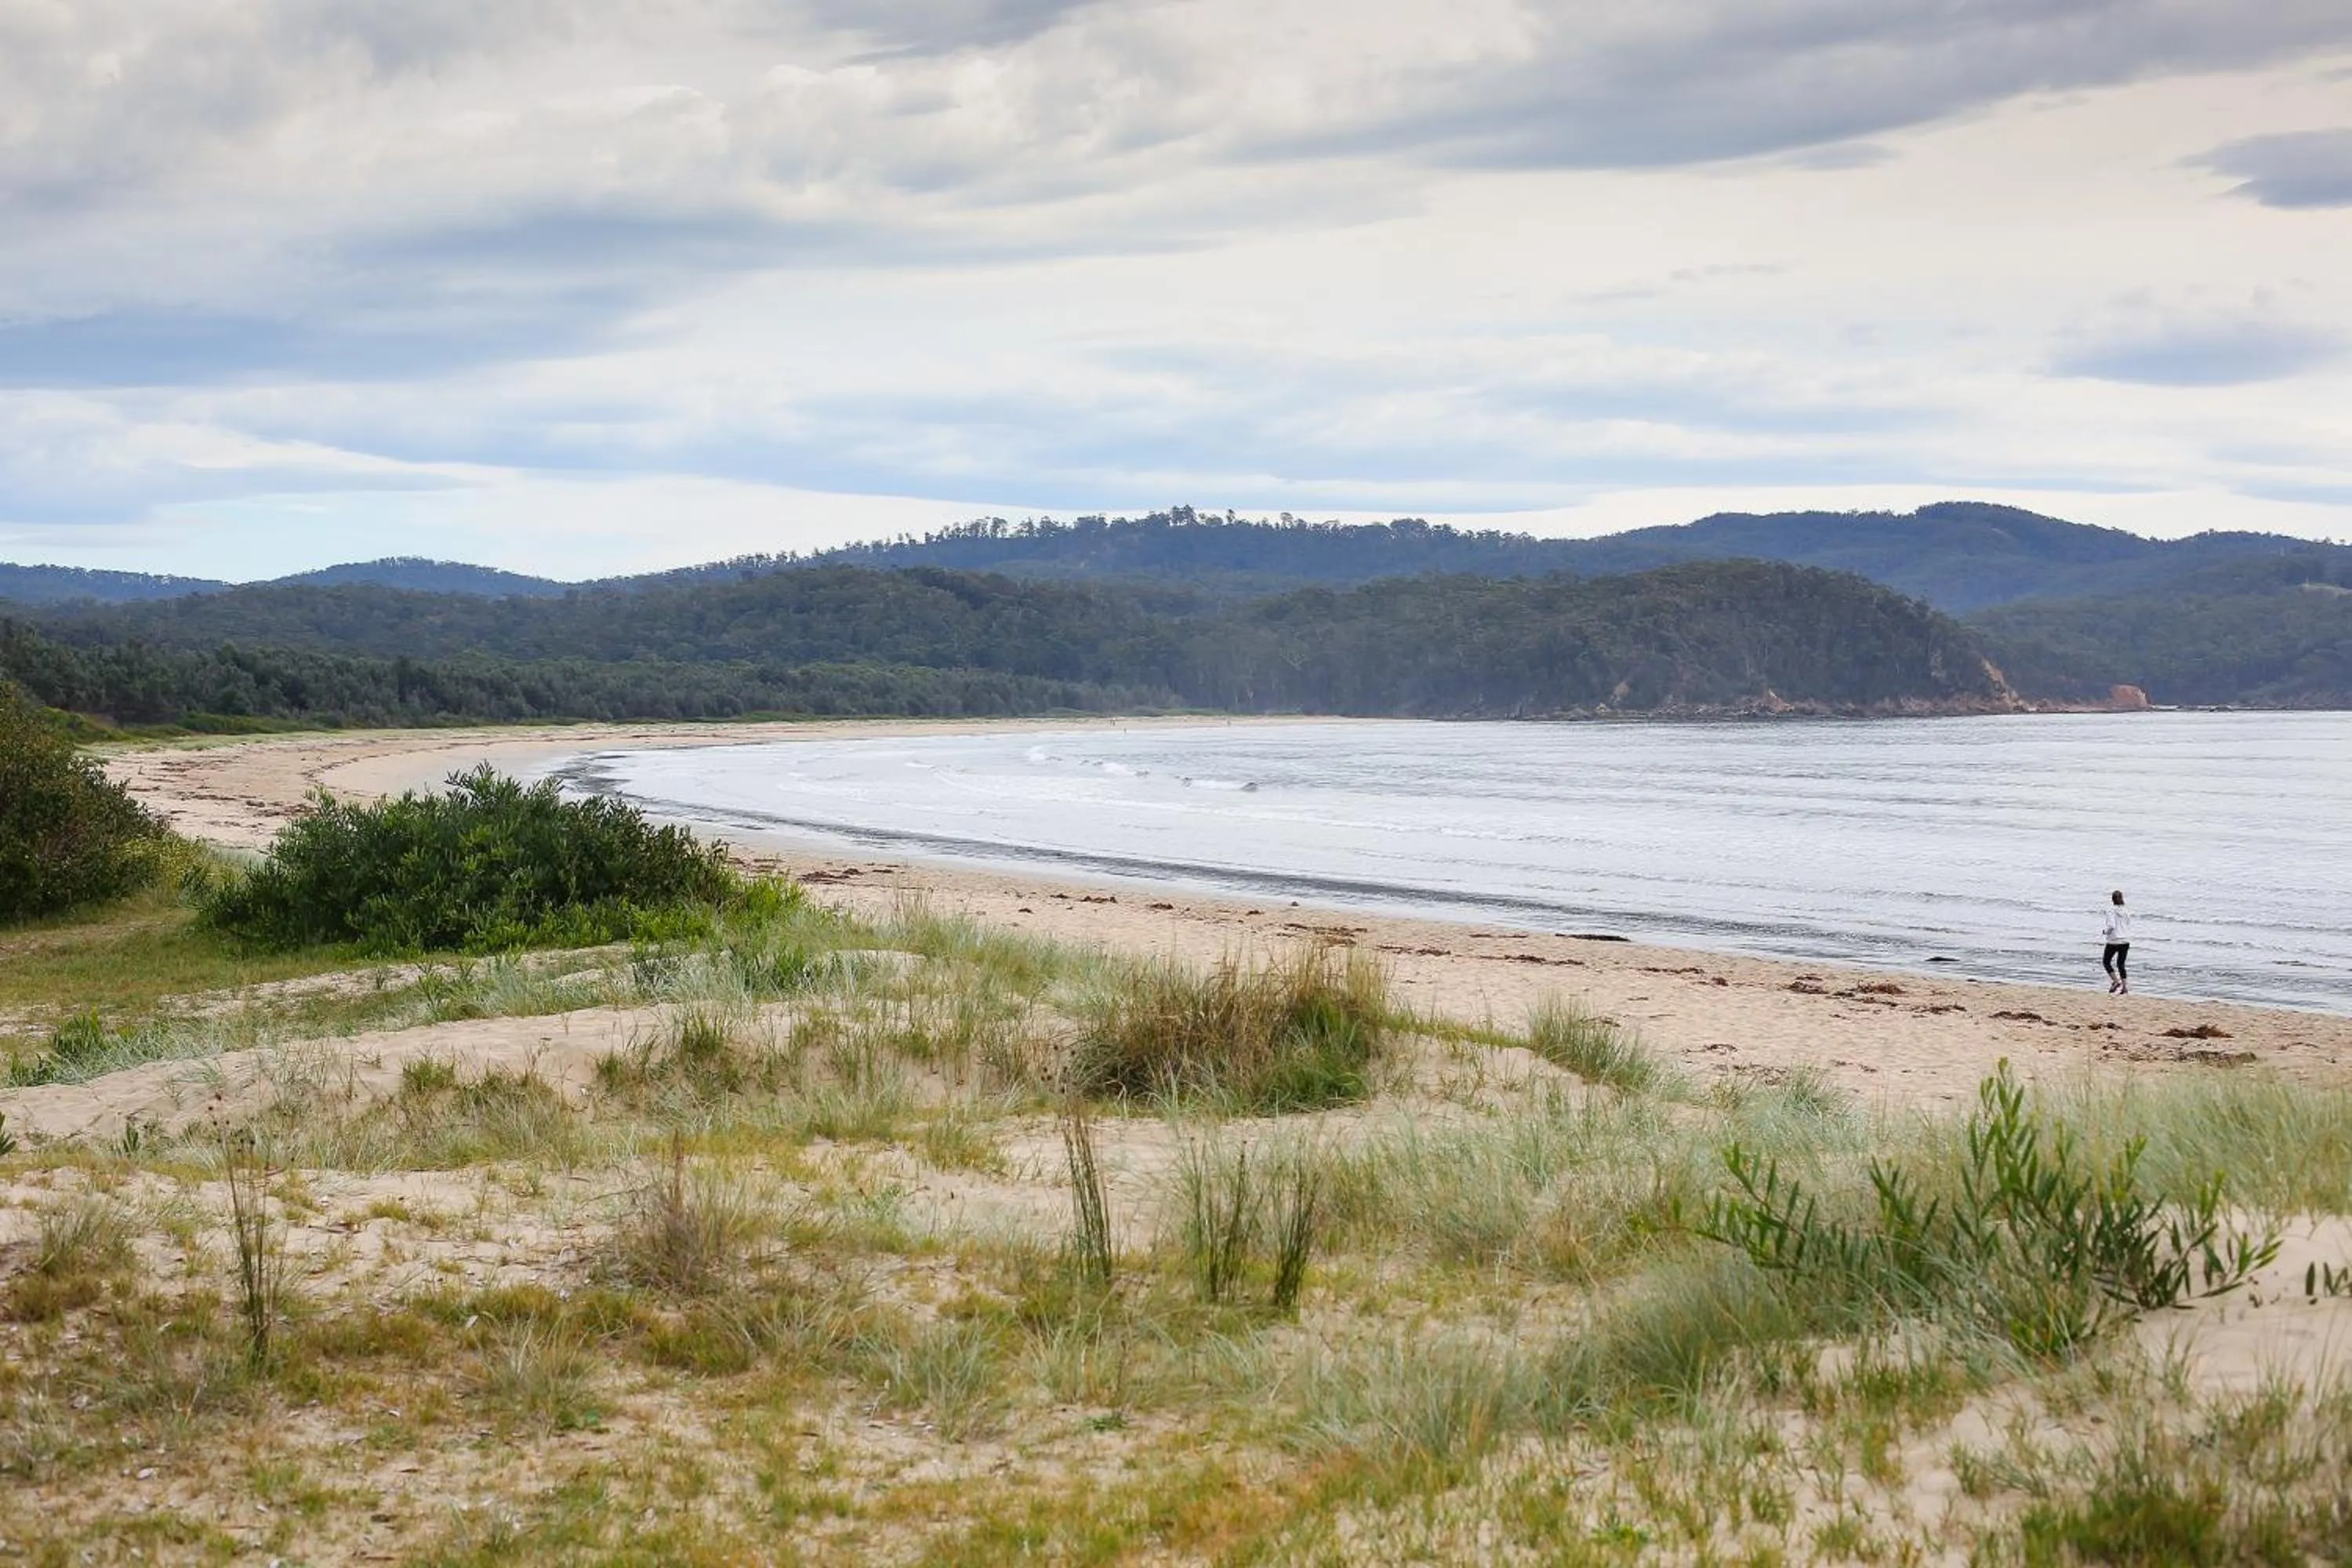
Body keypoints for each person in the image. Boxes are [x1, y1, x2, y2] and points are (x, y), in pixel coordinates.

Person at [2100, 890, 2132, 995]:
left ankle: (2116, 981)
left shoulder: (2111, 911)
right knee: (2121, 964)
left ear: (2112, 899)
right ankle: (2125, 987)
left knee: (2106, 961)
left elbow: (2111, 926)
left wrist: (2105, 932)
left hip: (2114, 940)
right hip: (2125, 940)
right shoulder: (2126, 911)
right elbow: (2128, 923)